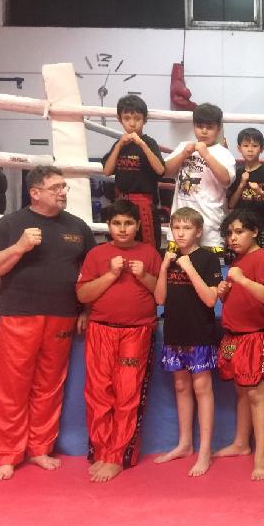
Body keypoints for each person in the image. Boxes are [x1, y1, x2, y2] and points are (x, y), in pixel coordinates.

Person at [0, 165, 96, 480]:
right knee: (12, 386)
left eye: (63, 187)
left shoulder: (78, 227)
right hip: (20, 315)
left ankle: (40, 448)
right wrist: (19, 247)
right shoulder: (11, 223)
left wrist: (86, 310)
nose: (63, 192)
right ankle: (7, 454)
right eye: (56, 187)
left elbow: (91, 273)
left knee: (49, 385)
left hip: (63, 315)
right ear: (35, 193)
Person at [76, 200, 161, 482]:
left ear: (137, 226)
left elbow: (162, 295)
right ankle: (102, 451)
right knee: (98, 393)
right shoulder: (97, 254)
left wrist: (144, 275)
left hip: (137, 331)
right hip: (101, 330)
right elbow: (83, 295)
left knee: (127, 394)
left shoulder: (149, 253)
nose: (122, 229)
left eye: (128, 223)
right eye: (117, 223)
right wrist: (111, 274)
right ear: (109, 226)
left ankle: (118, 456)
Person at [153, 207, 223, 477]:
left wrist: (189, 267)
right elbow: (159, 299)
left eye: (187, 228)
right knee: (181, 386)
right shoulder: (168, 258)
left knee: (202, 388)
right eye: (177, 228)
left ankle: (204, 450)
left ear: (198, 231)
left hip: (199, 333)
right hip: (174, 332)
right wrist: (163, 268)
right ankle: (184, 443)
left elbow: (210, 299)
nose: (180, 233)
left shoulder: (208, 258)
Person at [213, 209, 264, 481]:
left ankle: (261, 455)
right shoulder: (238, 260)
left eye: (239, 231)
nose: (233, 237)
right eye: (229, 233)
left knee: (255, 394)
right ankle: (241, 443)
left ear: (254, 231)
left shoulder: (263, 259)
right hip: (235, 336)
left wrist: (241, 280)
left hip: (256, 336)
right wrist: (224, 292)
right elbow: (241, 299)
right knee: (242, 391)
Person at [163, 103, 236, 251]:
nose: (204, 131)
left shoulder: (224, 153)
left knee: (209, 265)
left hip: (210, 227)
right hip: (180, 227)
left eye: (209, 127)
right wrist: (184, 154)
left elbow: (226, 180)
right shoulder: (184, 146)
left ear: (218, 129)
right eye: (199, 126)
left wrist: (206, 155)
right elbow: (165, 172)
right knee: (177, 265)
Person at [101, 94, 165, 248]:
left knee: (147, 247)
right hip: (121, 203)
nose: (132, 123)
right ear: (120, 119)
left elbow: (160, 170)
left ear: (144, 120)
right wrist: (118, 146)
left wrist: (142, 144)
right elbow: (107, 171)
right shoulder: (119, 144)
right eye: (127, 118)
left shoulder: (149, 142)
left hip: (144, 204)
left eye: (137, 118)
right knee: (122, 244)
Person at [227, 127, 264, 252]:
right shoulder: (237, 173)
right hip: (239, 228)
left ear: (262, 149)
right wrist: (241, 185)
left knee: (261, 259)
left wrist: (261, 193)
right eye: (246, 145)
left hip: (258, 227)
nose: (250, 150)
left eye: (255, 146)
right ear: (239, 148)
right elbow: (231, 204)